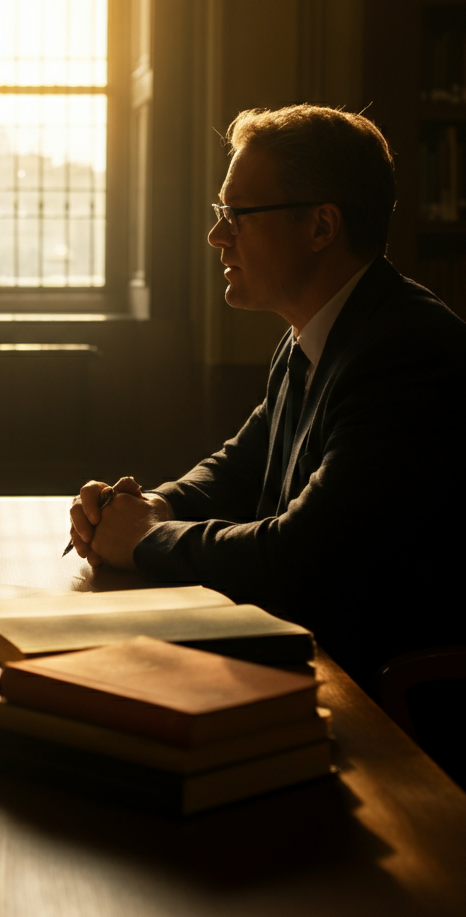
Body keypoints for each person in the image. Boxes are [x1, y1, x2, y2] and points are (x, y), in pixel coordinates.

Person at [69, 104, 466, 687]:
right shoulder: (316, 330)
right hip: (317, 659)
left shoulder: (404, 351)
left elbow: (303, 558)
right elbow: (241, 466)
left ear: (321, 227)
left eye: (238, 215)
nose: (216, 236)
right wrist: (157, 505)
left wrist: (149, 541)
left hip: (393, 700)